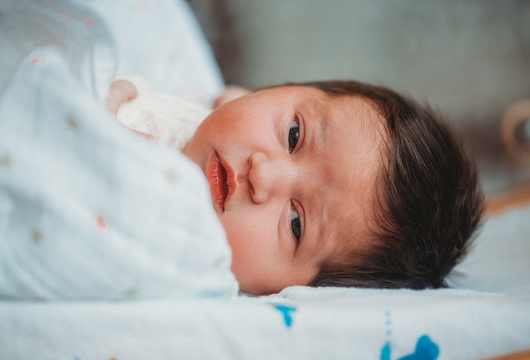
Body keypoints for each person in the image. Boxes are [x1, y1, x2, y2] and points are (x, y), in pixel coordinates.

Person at [107, 77, 485, 295]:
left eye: (296, 225)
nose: (263, 175)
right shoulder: (217, 112)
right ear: (281, 87)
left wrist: (91, 141)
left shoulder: (183, 270)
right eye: (293, 135)